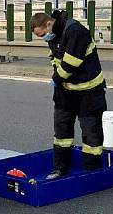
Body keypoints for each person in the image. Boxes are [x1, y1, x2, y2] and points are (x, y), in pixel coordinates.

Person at [31, 10, 107, 179]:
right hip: (66, 91)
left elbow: (71, 63)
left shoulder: (74, 31)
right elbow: (55, 58)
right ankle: (60, 169)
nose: (44, 38)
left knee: (91, 133)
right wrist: (58, 79)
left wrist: (56, 79)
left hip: (89, 91)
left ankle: (92, 172)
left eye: (43, 34)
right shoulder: (55, 34)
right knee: (61, 132)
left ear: (48, 24)